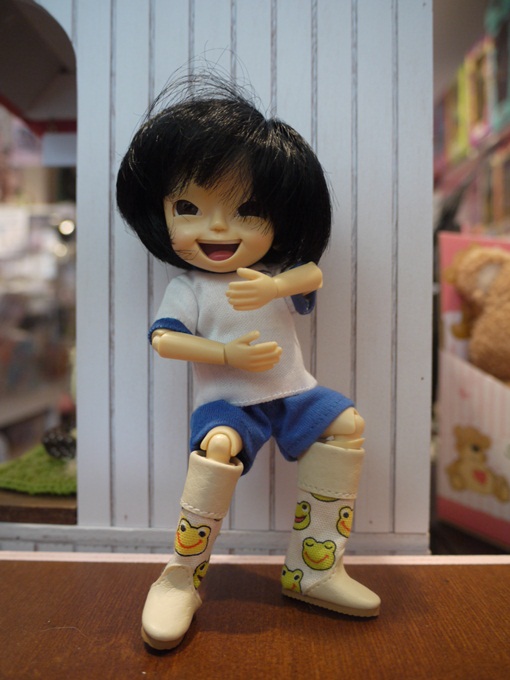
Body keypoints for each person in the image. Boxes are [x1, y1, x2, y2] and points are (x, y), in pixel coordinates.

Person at [116, 75, 380, 651]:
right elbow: (165, 341)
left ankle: (314, 569)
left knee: (347, 424)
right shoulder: (190, 287)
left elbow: (311, 274)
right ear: (160, 214)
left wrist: (273, 287)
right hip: (229, 403)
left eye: (248, 210)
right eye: (189, 207)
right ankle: (180, 578)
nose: (217, 228)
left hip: (294, 391)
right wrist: (226, 353)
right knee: (217, 448)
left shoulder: (273, 275)